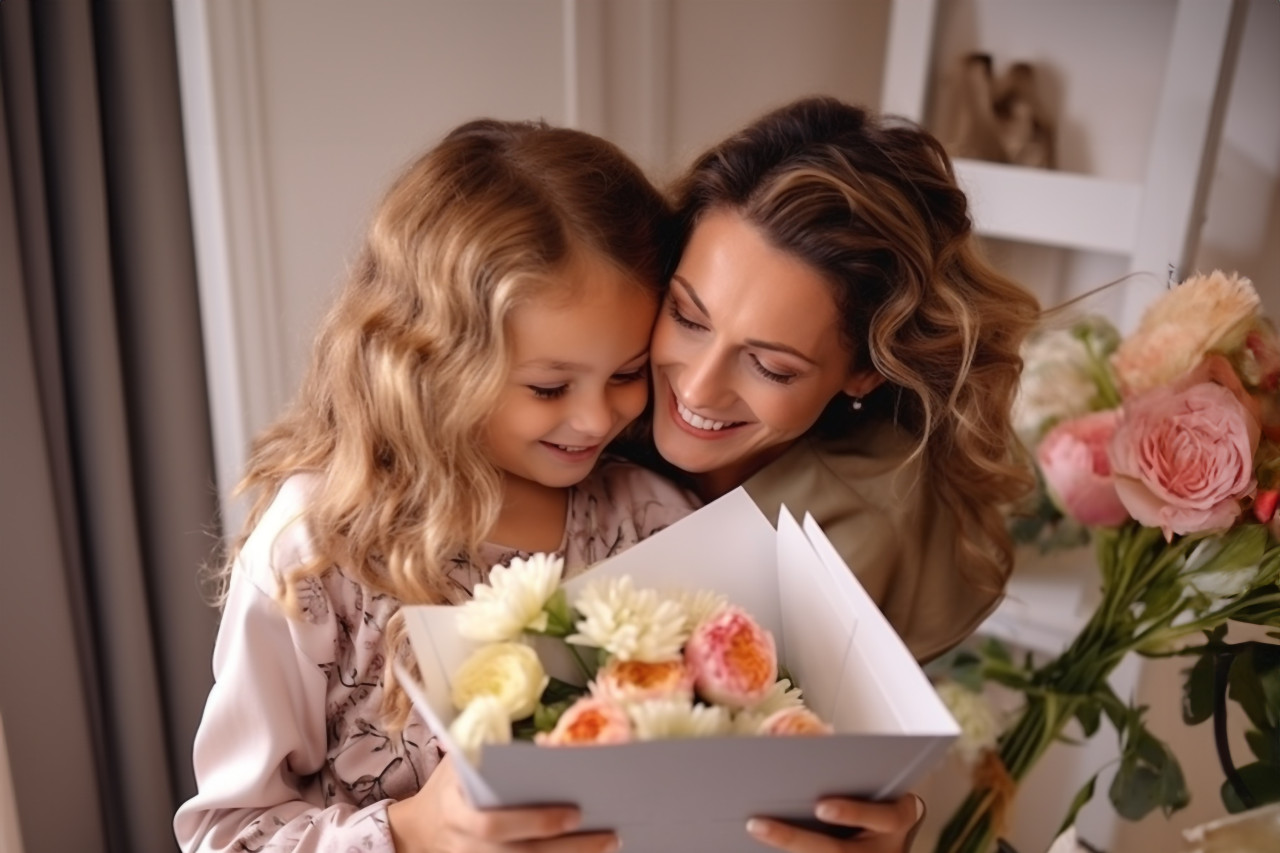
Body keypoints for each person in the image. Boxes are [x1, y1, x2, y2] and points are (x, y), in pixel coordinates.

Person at [174, 118, 697, 853]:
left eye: (626, 374)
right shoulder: (319, 550)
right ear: (431, 362)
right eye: (548, 387)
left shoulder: (654, 520)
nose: (593, 418)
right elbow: (226, 836)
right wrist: (416, 829)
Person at [637, 95, 1041, 851]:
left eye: (770, 364)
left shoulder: (874, 525)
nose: (695, 388)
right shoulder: (567, 410)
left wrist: (890, 832)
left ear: (861, 371)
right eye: (689, 317)